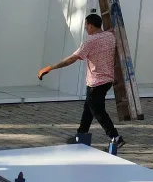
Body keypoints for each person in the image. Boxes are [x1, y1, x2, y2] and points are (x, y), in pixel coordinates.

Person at [38, 13, 125, 149]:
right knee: (88, 109)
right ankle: (81, 136)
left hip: (96, 82)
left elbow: (72, 59)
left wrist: (51, 67)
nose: (85, 29)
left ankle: (115, 137)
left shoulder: (90, 41)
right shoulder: (110, 36)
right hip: (107, 80)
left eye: (85, 26)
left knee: (98, 110)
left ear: (90, 25)